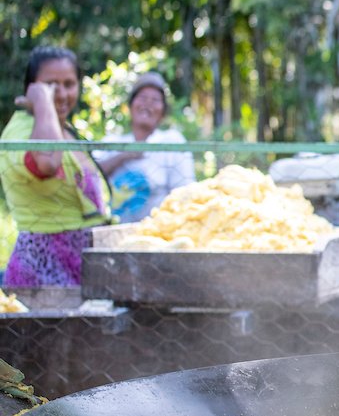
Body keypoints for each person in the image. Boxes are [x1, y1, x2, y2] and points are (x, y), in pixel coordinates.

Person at [0, 45, 113, 287]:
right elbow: (48, 163)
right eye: (51, 85)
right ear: (32, 88)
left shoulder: (67, 132)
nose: (61, 94)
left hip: (82, 266)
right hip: (43, 271)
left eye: (69, 84)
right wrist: (43, 102)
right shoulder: (20, 131)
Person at [96, 71, 196, 222]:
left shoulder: (170, 141)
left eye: (155, 100)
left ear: (163, 112)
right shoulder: (112, 142)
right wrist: (124, 155)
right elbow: (91, 176)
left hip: (157, 233)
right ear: (130, 106)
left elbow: (185, 193)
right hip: (114, 232)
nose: (147, 103)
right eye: (142, 97)